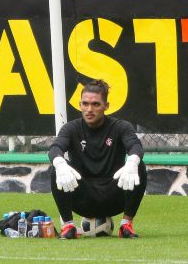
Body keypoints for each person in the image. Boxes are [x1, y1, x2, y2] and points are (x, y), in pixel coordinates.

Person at [49, 79, 147, 239]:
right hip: (82, 198)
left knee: (138, 165)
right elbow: (55, 148)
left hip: (114, 197)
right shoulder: (71, 128)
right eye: (85, 104)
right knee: (56, 168)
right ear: (80, 105)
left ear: (106, 106)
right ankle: (68, 226)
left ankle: (126, 225)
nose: (89, 109)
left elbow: (135, 146)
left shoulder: (121, 127)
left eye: (95, 104)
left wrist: (133, 161)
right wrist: (60, 163)